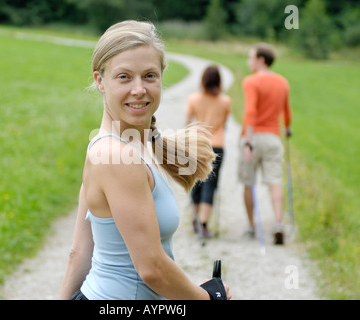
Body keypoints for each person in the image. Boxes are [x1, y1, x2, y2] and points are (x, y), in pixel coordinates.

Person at [60, 20, 231, 300]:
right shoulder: (117, 155)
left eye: (149, 76)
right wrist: (210, 298)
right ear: (100, 81)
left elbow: (79, 252)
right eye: (124, 77)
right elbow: (152, 268)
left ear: (162, 77)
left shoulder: (119, 146)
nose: (139, 89)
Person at [238, 43, 292, 245]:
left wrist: (248, 139)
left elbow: (250, 111)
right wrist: (287, 128)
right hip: (273, 138)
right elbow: (287, 112)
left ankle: (251, 226)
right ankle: (279, 223)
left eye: (251, 57)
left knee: (248, 182)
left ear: (261, 60)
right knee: (274, 181)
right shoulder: (282, 82)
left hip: (253, 136)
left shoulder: (251, 81)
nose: (248, 61)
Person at [185, 65, 231, 238]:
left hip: (197, 145)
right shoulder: (225, 101)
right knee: (210, 184)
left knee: (196, 183)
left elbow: (188, 123)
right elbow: (224, 124)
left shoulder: (193, 99)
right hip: (217, 145)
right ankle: (204, 224)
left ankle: (195, 220)